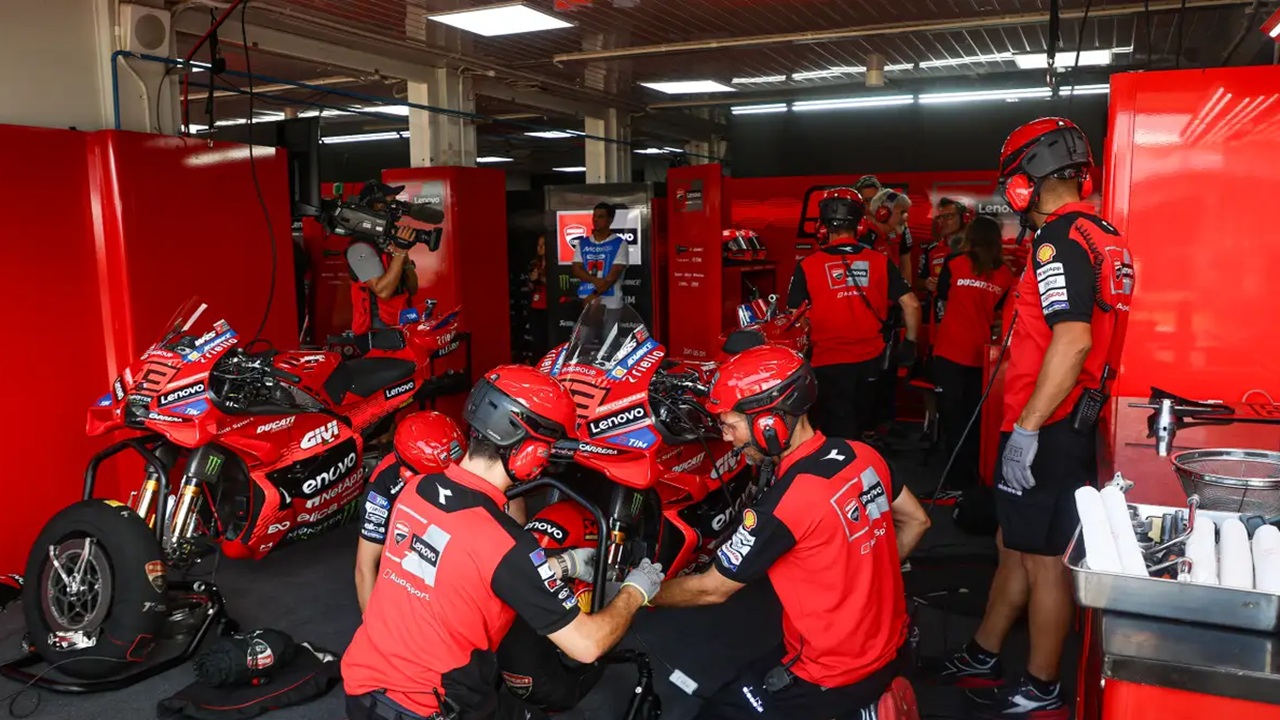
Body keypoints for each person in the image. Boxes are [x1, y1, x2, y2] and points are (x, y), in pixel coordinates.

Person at [922, 117, 1134, 720]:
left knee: (1044, 562)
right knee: (1012, 544)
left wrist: (1029, 431)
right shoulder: (1102, 234)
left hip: (1049, 426)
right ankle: (986, 651)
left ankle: (1042, 686)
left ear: (1031, 175)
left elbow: (1071, 342)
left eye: (1014, 175)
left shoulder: (1059, 240)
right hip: (1063, 420)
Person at [343, 366, 665, 720]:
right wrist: (635, 590)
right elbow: (587, 645)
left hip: (362, 689)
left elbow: (461, 568)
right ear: (530, 452)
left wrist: (566, 563)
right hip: (434, 710)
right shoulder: (505, 543)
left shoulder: (415, 492)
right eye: (549, 446)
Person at [651, 345, 931, 720]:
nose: (727, 437)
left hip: (828, 675)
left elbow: (709, 589)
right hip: (893, 645)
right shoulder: (863, 454)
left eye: (730, 424)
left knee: (716, 713)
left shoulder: (787, 503)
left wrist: (635, 595)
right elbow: (917, 520)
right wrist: (862, 583)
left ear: (770, 424)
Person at [787, 188, 921, 441]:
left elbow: (796, 318)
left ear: (823, 226)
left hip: (828, 364)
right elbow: (912, 305)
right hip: (871, 362)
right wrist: (911, 344)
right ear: (860, 224)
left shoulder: (807, 265)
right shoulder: (880, 261)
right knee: (863, 429)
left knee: (834, 432)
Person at [931, 216, 1014, 492]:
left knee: (952, 418)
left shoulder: (954, 263)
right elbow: (1000, 310)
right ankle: (973, 479)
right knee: (974, 420)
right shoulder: (1005, 274)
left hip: (950, 351)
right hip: (982, 357)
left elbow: (941, 294)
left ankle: (954, 482)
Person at [355, 411, 469, 613]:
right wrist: (373, 630)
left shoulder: (468, 460)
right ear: (407, 474)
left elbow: (511, 507)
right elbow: (365, 566)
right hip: (410, 545)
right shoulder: (383, 488)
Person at [345, 181, 421, 335]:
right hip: (377, 332)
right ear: (376, 206)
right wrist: (399, 253)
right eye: (391, 202)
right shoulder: (360, 248)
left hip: (400, 323)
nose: (396, 208)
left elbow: (412, 288)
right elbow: (383, 292)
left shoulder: (389, 244)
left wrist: (403, 256)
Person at [571, 202, 629, 314]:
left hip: (611, 302)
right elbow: (576, 269)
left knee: (609, 332)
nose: (596, 220)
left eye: (601, 216)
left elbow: (613, 275)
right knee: (587, 332)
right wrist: (594, 280)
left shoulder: (620, 243)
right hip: (586, 298)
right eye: (594, 216)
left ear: (610, 220)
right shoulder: (582, 243)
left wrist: (594, 295)